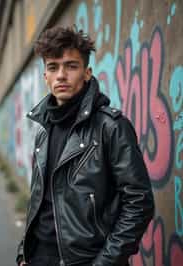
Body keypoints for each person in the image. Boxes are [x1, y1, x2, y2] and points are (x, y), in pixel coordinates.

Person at [16, 26, 154, 266]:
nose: (61, 75)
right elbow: (37, 200)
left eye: (71, 66)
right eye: (53, 67)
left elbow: (139, 203)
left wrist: (105, 262)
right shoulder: (43, 131)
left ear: (87, 73)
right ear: (45, 77)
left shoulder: (111, 127)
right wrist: (23, 253)